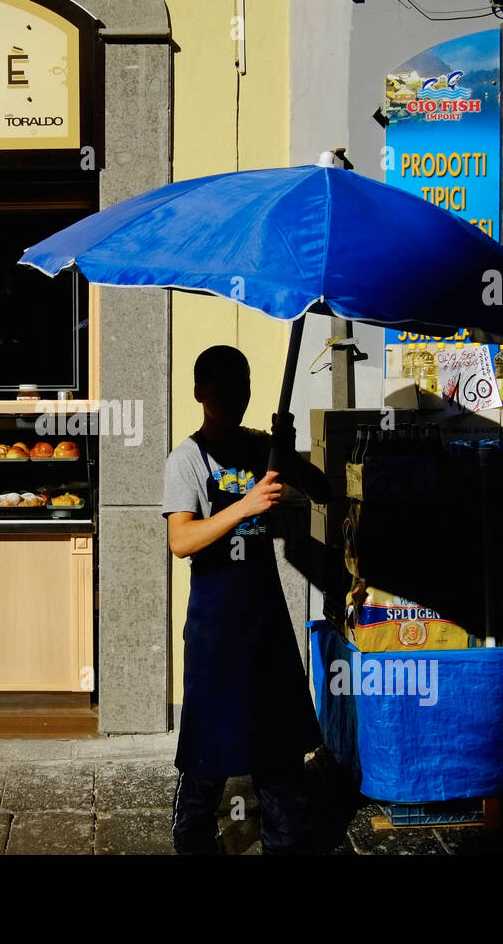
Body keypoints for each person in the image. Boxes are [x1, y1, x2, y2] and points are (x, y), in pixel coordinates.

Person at [162, 344, 333, 855]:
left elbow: (322, 490)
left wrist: (289, 448)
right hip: (216, 624)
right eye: (224, 387)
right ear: (200, 393)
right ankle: (193, 836)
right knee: (207, 741)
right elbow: (181, 542)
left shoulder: (262, 448)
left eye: (244, 386)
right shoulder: (186, 459)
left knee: (277, 739)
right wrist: (244, 506)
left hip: (264, 616)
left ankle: (287, 839)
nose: (237, 397)